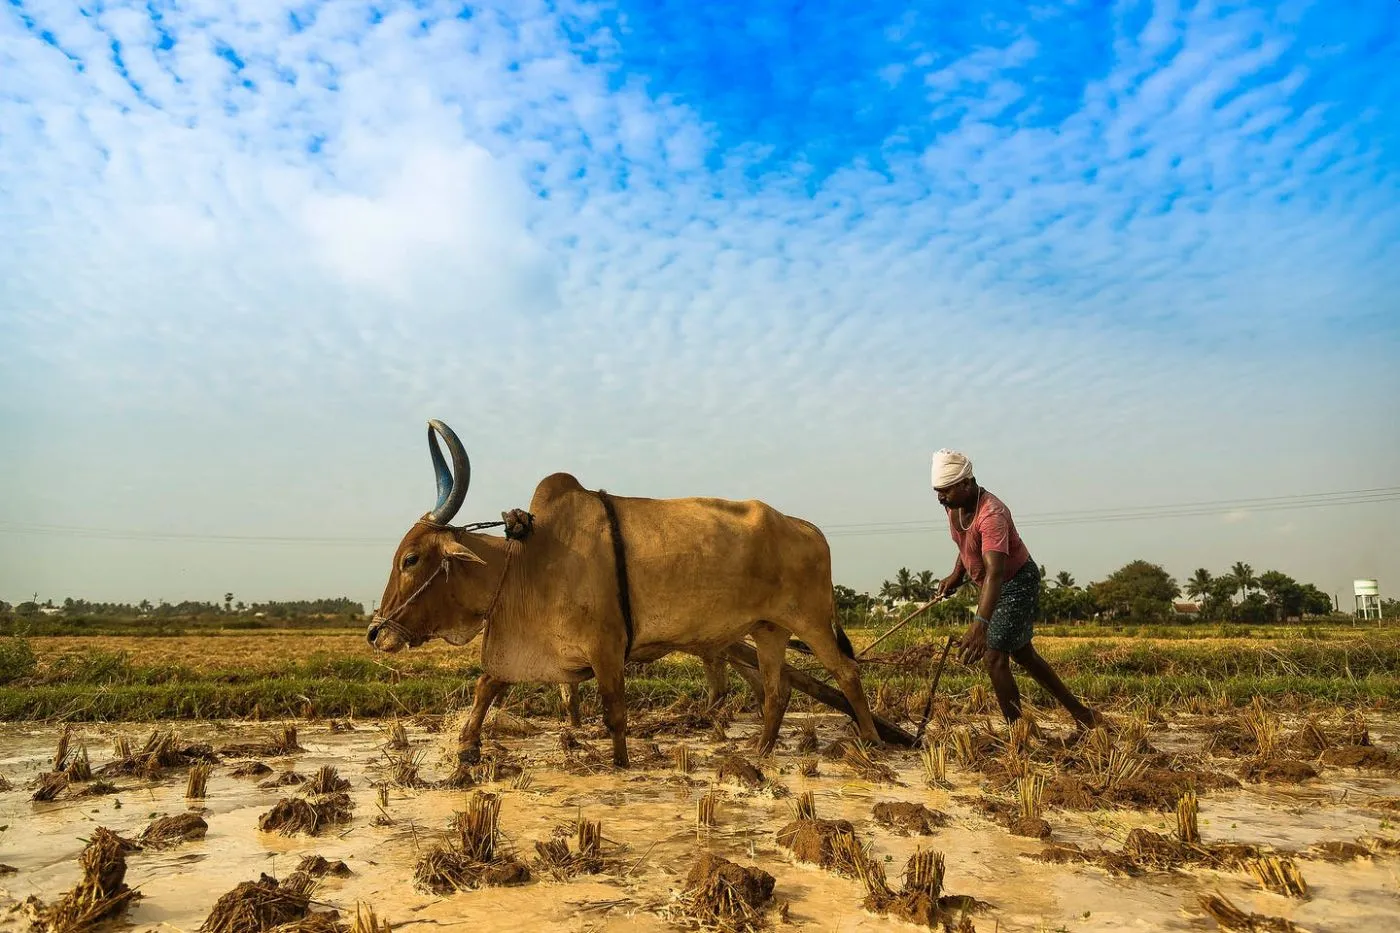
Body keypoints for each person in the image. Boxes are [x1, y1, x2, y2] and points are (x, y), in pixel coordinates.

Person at [930, 449, 1101, 730]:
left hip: (1015, 582)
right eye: (937, 491)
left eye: (945, 490)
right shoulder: (953, 508)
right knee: (1024, 655)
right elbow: (967, 545)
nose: (940, 497)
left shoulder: (992, 514)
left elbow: (996, 572)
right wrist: (956, 574)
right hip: (992, 585)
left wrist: (980, 625)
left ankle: (1018, 733)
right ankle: (1083, 715)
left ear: (965, 483)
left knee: (994, 656)